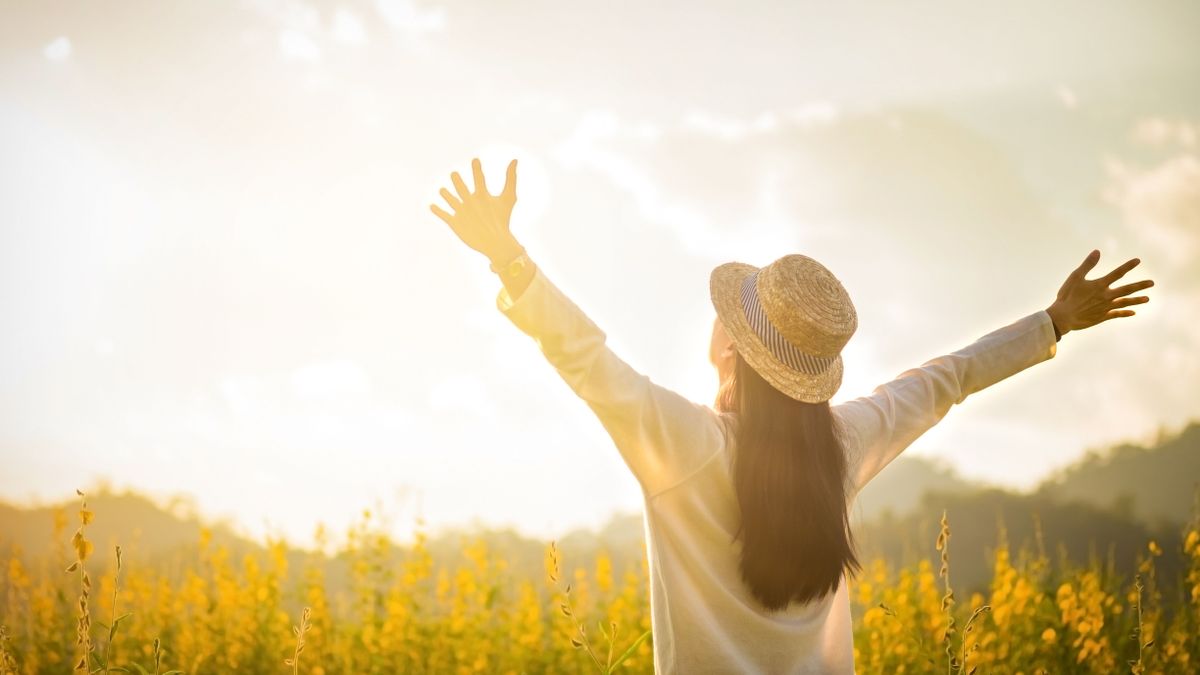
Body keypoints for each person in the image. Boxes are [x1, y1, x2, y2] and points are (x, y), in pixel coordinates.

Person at [429, 157, 1155, 674]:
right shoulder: (843, 443)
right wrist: (1053, 321)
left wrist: (510, 258)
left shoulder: (684, 444)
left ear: (730, 351)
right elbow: (947, 379)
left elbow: (585, 357)